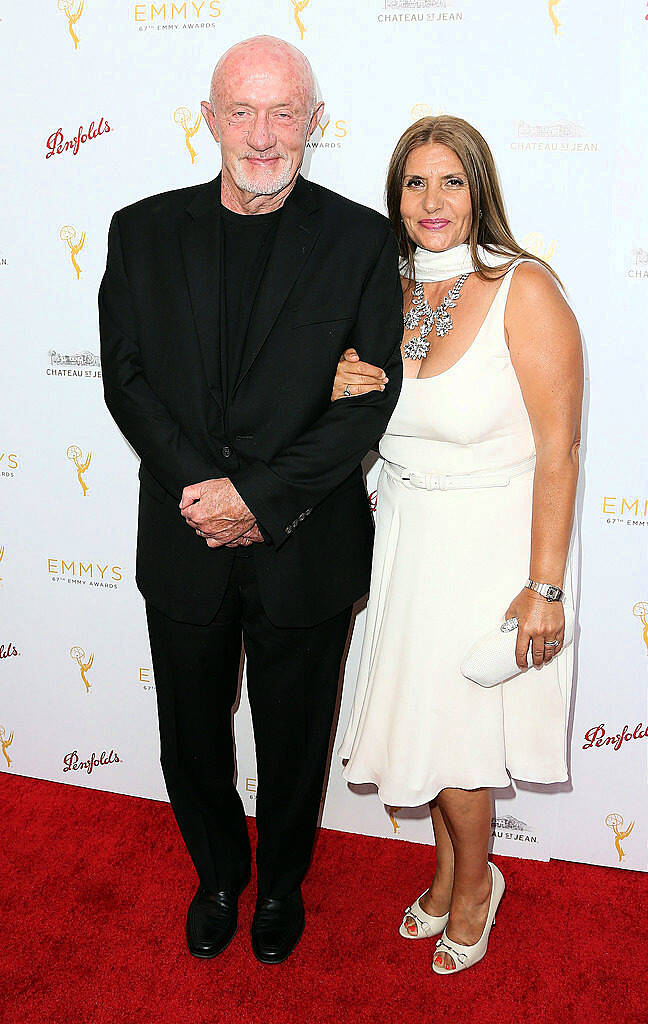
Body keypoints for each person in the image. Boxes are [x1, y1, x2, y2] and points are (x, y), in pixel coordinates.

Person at [99, 35, 403, 965]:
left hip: (304, 541)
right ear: (209, 119)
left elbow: (371, 397)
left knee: (296, 736)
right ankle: (220, 874)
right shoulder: (141, 230)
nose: (262, 135)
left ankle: (279, 887)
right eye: (243, 111)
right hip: (184, 534)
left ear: (313, 123)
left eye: (283, 114)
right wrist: (206, 492)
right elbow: (128, 379)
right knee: (190, 734)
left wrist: (260, 500)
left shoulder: (359, 240)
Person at [334, 115, 583, 974]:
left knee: (460, 741)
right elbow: (367, 415)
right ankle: (446, 874)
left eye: (450, 181)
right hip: (407, 536)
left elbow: (561, 447)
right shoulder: (387, 290)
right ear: (395, 197)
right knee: (428, 730)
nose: (432, 200)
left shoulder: (527, 287)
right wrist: (339, 384)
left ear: (480, 190)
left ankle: (477, 888)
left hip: (487, 548)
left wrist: (544, 587)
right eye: (414, 182)